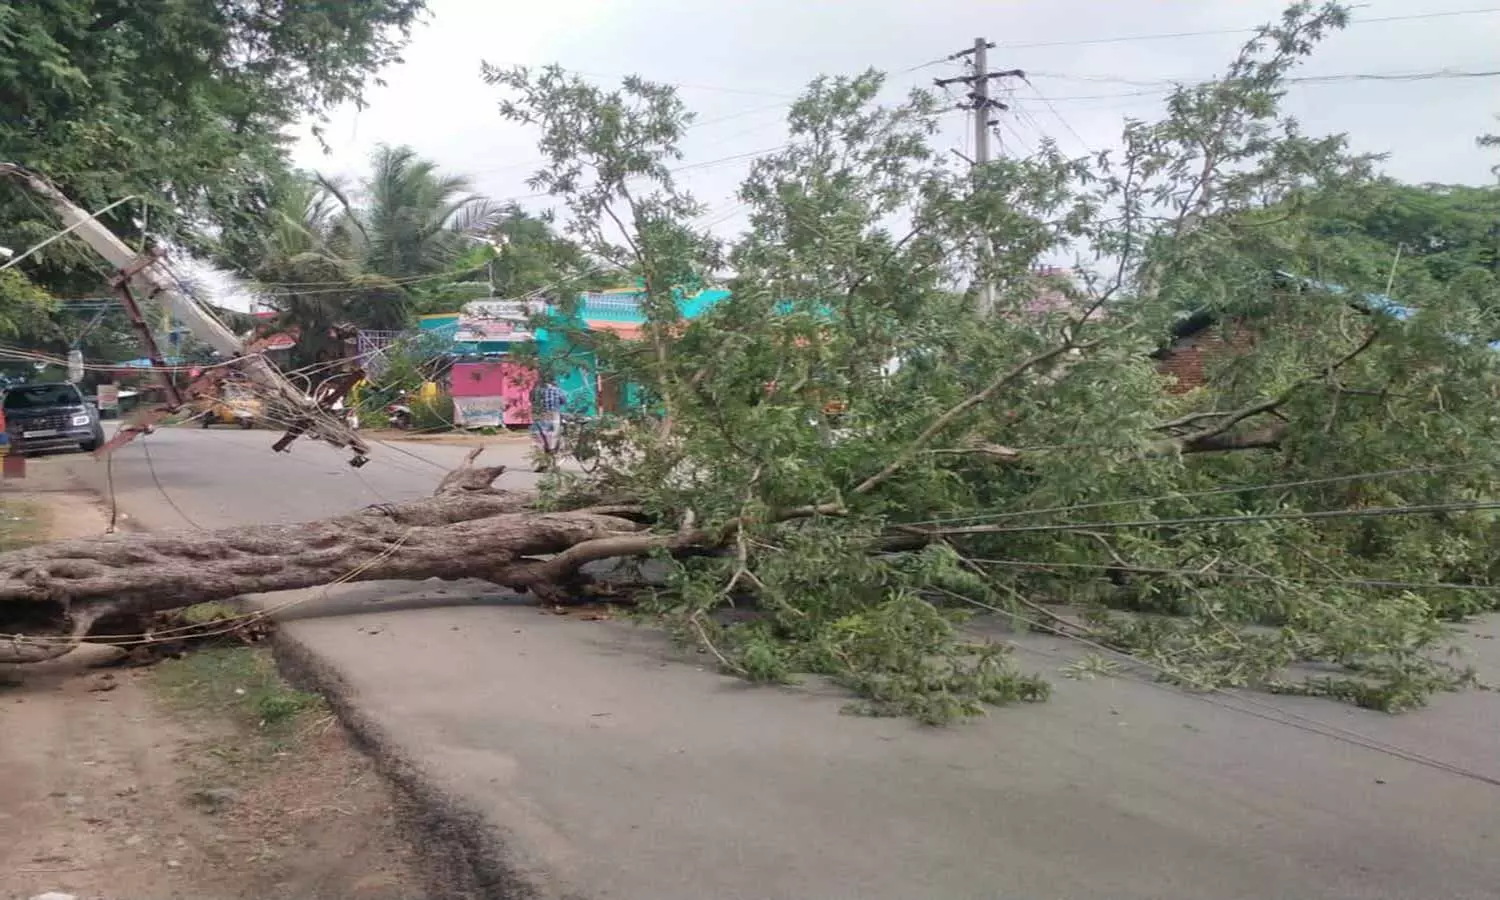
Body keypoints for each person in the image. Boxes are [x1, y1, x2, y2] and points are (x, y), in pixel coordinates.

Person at [530, 380, 566, 469]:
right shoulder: (557, 390)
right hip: (553, 415)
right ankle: (554, 462)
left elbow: (531, 401)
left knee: (540, 440)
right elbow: (563, 401)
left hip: (539, 415)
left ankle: (543, 463)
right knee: (553, 438)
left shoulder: (535, 390)